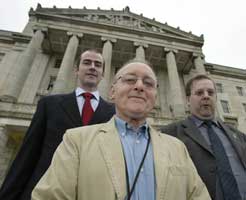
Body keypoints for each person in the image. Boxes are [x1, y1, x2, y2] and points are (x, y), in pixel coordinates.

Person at [31, 60, 211, 200]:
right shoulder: (76, 140)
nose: (139, 86)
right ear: (112, 92)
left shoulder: (177, 148)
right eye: (130, 80)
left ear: (155, 97)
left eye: (148, 83)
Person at [0, 49, 115, 200]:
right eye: (87, 63)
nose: (92, 67)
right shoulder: (49, 104)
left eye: (98, 64)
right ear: (76, 70)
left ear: (103, 74)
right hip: (43, 193)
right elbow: (27, 155)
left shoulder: (114, 114)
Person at [161, 74, 246, 200]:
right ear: (188, 99)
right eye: (199, 92)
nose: (206, 96)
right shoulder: (170, 133)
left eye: (210, 92)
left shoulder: (238, 135)